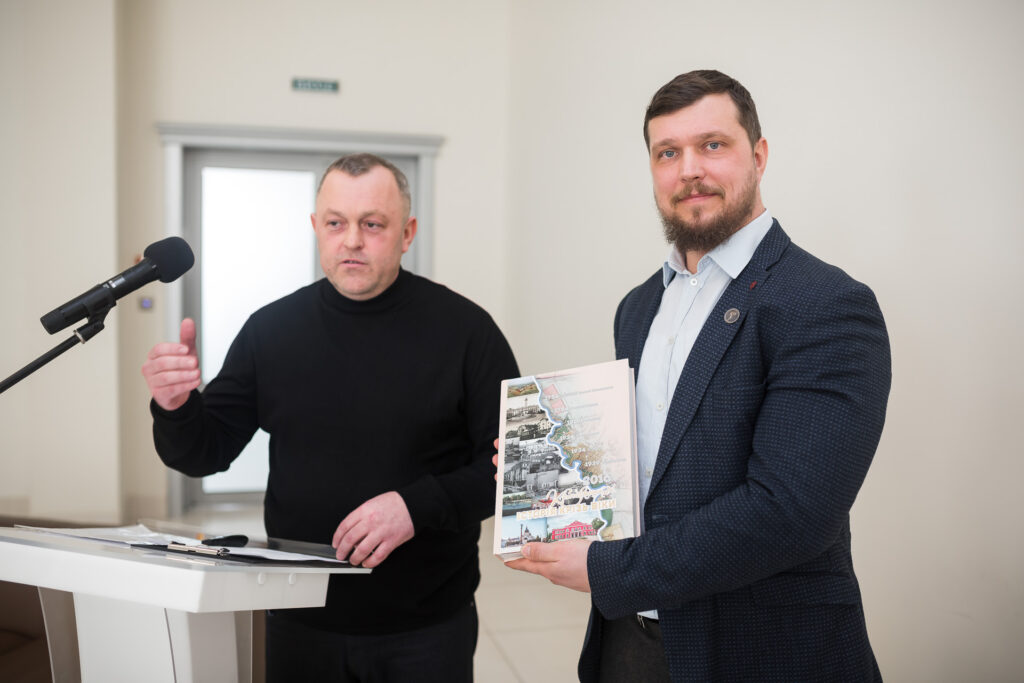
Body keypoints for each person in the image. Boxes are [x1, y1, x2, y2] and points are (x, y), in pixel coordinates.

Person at [506, 70, 891, 682]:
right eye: (668, 152)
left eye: (712, 145)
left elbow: (790, 512)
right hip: (630, 637)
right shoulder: (638, 306)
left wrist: (609, 570)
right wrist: (546, 473)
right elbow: (647, 465)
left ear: (758, 156)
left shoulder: (824, 303)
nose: (689, 169)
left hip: (761, 649)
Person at [142, 153, 518, 682]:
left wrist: (418, 506)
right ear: (316, 228)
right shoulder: (271, 331)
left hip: (426, 625)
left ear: (407, 233)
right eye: (336, 223)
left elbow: (514, 473)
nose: (352, 241)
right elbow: (204, 452)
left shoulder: (468, 332)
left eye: (373, 224)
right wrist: (176, 406)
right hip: (300, 615)